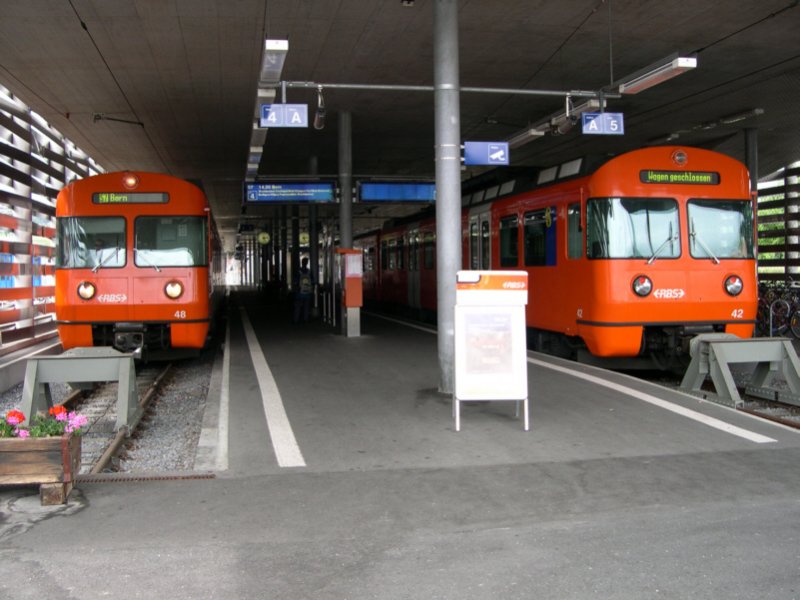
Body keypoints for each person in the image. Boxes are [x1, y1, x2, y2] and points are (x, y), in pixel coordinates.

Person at [293, 257, 314, 323]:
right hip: (307, 292)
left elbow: (295, 281)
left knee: (298, 306)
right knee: (306, 306)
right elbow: (312, 281)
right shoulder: (309, 271)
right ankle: (306, 319)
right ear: (307, 263)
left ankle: (296, 319)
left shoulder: (298, 271)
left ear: (301, 262)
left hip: (299, 292)